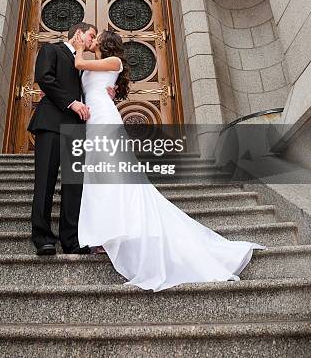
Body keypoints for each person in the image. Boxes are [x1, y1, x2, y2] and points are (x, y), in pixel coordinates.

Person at [72, 29, 266, 291]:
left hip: (105, 121)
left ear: (105, 44)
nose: (90, 39)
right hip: (92, 121)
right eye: (89, 36)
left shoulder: (112, 62)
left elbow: (79, 62)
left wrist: (79, 44)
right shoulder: (92, 69)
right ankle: (106, 231)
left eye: (95, 37)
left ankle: (120, 229)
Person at [27, 22, 97, 256]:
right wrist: (71, 102)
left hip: (77, 130)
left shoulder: (85, 65)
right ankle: (42, 237)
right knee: (45, 181)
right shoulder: (51, 50)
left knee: (74, 186)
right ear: (78, 33)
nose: (92, 41)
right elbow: (44, 78)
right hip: (50, 124)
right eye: (91, 35)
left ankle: (71, 239)